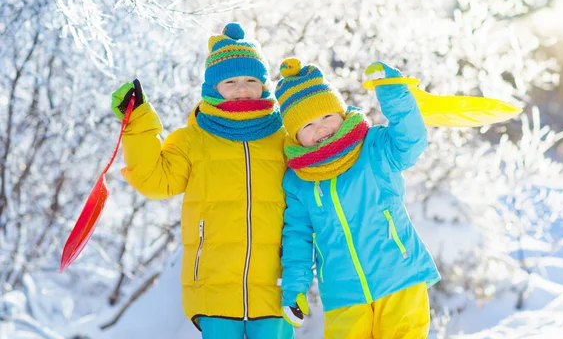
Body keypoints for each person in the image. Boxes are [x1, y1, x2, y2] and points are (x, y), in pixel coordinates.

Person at [110, 23, 293, 339]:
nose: (241, 88)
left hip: (276, 284)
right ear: (213, 87)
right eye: (231, 81)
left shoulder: (283, 138)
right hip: (211, 283)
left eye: (251, 80)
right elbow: (156, 179)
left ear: (265, 86)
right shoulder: (195, 139)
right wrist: (137, 123)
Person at [275, 58, 441, 338]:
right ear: (295, 135)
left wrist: (394, 93)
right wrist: (294, 287)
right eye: (308, 125)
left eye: (327, 116)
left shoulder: (373, 147)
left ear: (340, 113)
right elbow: (297, 239)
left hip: (398, 275)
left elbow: (410, 142)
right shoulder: (299, 180)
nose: (321, 129)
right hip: (343, 293)